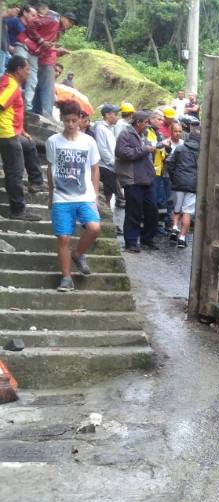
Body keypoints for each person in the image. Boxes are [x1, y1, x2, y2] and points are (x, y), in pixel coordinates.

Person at [45, 100, 101, 292]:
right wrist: (50, 194)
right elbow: (50, 168)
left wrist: (95, 194)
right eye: (67, 120)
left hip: (85, 195)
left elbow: (95, 169)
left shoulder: (89, 142)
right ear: (61, 119)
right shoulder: (53, 141)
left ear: (80, 119)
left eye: (74, 120)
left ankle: (77, 254)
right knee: (63, 238)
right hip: (61, 197)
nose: (70, 124)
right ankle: (66, 278)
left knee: (94, 227)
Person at [0, 55, 39, 221]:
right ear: (18, 70)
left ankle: (36, 182)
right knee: (15, 172)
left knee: (29, 144)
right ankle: (17, 210)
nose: (29, 72)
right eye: (27, 69)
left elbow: (11, 111)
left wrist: (21, 130)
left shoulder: (6, 81)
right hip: (6, 134)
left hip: (12, 132)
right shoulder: (11, 86)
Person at [115, 110, 157, 253]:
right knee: (134, 211)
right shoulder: (125, 134)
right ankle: (131, 242)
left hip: (147, 178)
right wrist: (144, 149)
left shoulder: (144, 135)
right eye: (146, 122)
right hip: (133, 179)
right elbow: (122, 152)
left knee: (152, 210)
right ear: (138, 122)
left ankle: (147, 238)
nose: (148, 125)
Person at [24, 9, 75, 117]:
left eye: (72, 24)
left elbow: (47, 46)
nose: (70, 25)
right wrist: (41, 41)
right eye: (69, 21)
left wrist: (58, 51)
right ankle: (46, 113)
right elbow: (32, 25)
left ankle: (37, 111)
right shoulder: (53, 20)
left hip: (41, 57)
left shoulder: (58, 30)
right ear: (63, 17)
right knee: (46, 86)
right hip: (38, 56)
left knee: (39, 86)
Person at [94, 104, 124, 234]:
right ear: (107, 115)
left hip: (111, 166)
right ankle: (104, 222)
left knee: (110, 195)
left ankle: (107, 221)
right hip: (105, 166)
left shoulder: (110, 128)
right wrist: (112, 162)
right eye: (115, 114)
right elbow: (102, 149)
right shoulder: (101, 128)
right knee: (106, 195)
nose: (117, 117)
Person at [167, 127, 198, 248]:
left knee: (177, 207)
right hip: (193, 184)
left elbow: (170, 163)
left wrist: (173, 177)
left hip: (179, 182)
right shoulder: (202, 152)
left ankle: (175, 227)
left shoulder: (180, 148)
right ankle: (182, 238)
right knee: (187, 211)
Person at [10, 4, 39, 111]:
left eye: (36, 16)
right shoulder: (14, 21)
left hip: (21, 53)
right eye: (33, 15)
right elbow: (3, 30)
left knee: (27, 76)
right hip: (10, 52)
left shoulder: (30, 28)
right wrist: (7, 46)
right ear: (25, 12)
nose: (35, 18)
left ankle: (26, 105)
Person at [147, 110, 172, 234]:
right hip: (150, 172)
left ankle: (158, 226)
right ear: (151, 119)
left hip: (160, 171)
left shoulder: (160, 134)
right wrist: (161, 144)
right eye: (159, 119)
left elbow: (163, 152)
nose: (161, 122)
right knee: (152, 201)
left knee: (161, 201)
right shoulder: (147, 132)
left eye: (162, 119)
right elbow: (149, 146)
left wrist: (167, 148)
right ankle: (150, 227)